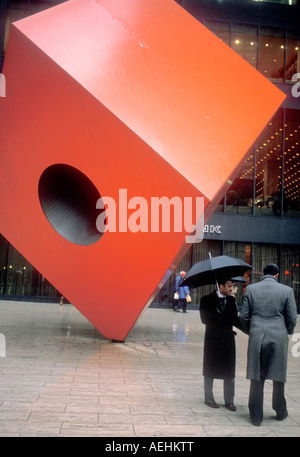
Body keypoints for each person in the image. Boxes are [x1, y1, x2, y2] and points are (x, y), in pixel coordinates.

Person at [240, 263, 297, 426]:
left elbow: (243, 316)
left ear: (263, 274)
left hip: (257, 334)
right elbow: (292, 318)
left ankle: (256, 417)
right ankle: (280, 411)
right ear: (277, 275)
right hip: (278, 335)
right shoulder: (287, 291)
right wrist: (287, 331)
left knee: (257, 377)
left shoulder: (251, 289)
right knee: (279, 376)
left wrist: (251, 330)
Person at [200, 279, 242, 411]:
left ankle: (229, 401)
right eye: (229, 286)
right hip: (213, 340)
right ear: (221, 286)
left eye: (232, 286)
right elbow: (204, 320)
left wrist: (251, 329)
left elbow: (235, 319)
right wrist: (217, 307)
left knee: (230, 371)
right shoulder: (206, 299)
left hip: (228, 340)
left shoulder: (231, 301)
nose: (231, 289)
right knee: (209, 369)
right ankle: (209, 398)